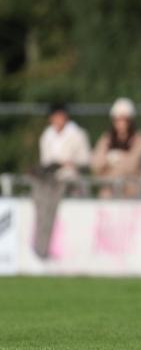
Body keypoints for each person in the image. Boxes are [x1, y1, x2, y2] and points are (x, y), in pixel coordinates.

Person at [32, 103, 91, 259]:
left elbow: (86, 160)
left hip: (70, 179)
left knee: (51, 205)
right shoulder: (46, 136)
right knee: (41, 202)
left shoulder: (77, 134)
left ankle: (45, 248)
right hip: (50, 179)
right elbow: (45, 161)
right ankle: (40, 247)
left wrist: (69, 163)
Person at [91, 98, 141, 198]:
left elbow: (132, 164)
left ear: (130, 121)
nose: (121, 123)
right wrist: (108, 159)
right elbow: (96, 163)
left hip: (132, 190)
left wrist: (116, 159)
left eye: (124, 119)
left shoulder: (139, 139)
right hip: (110, 190)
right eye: (118, 119)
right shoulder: (107, 138)